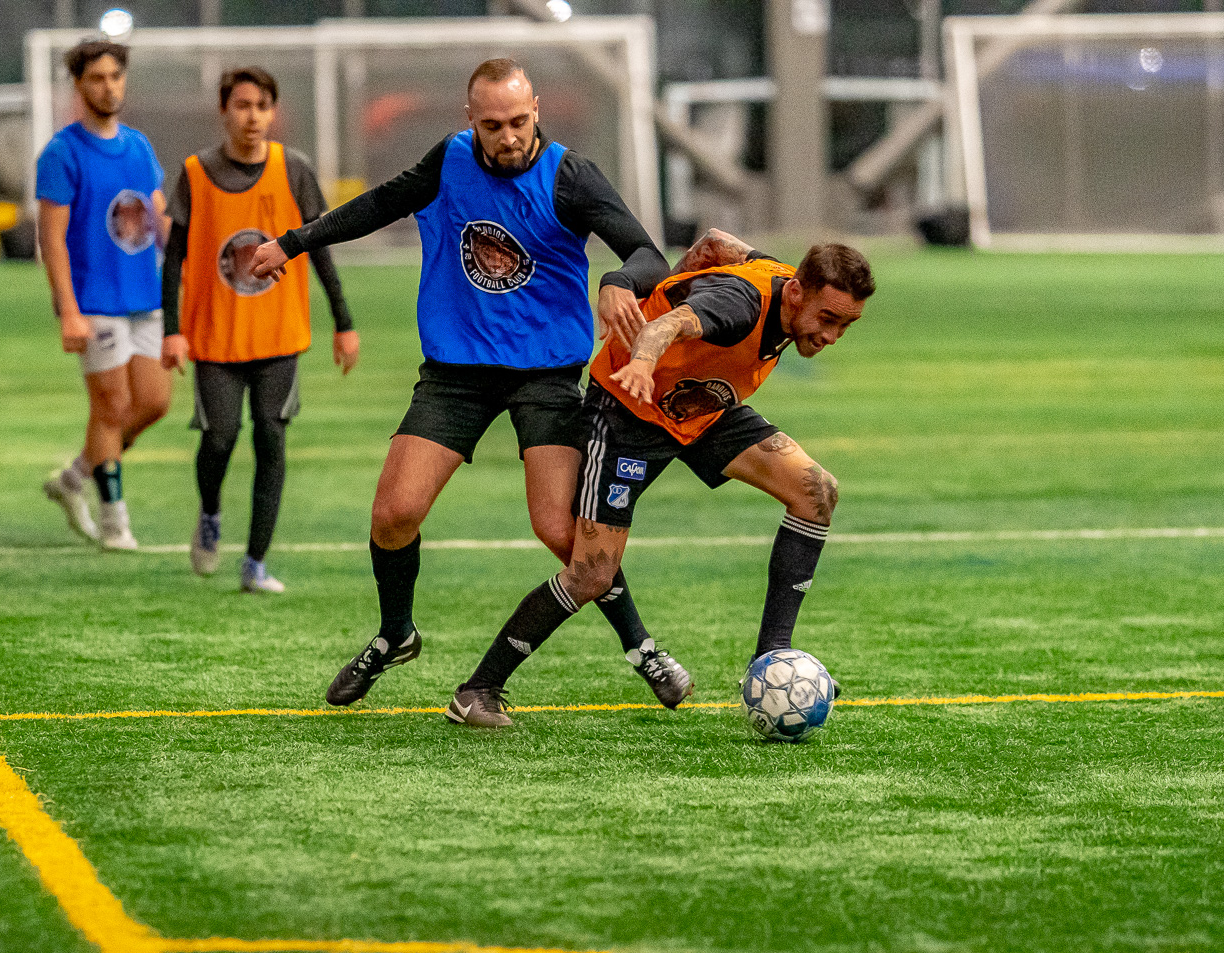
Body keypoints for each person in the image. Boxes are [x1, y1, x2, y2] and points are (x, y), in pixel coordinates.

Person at [250, 58, 691, 707]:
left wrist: (618, 281)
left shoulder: (570, 176)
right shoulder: (450, 160)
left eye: (517, 121)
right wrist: (292, 243)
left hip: (544, 373)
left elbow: (649, 254)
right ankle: (395, 634)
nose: (508, 137)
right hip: (455, 374)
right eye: (492, 125)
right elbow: (379, 204)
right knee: (393, 515)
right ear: (471, 121)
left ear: (536, 110)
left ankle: (642, 647)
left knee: (561, 531)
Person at [444, 238, 875, 727]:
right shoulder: (738, 305)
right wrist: (644, 362)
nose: (832, 335)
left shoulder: (778, 276)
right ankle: (477, 690)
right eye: (827, 318)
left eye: (846, 324)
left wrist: (673, 284)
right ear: (795, 292)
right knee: (591, 574)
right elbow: (665, 326)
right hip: (630, 411)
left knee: (816, 492)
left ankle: (772, 657)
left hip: (703, 408)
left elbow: (715, 242)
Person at [160, 67, 359, 594]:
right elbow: (174, 257)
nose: (253, 116)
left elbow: (320, 247)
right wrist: (172, 330)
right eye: (242, 105)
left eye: (262, 106)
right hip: (215, 337)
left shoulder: (294, 169)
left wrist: (344, 322)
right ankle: (209, 512)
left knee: (271, 437)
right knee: (220, 437)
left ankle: (255, 562)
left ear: (273, 112)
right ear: (224, 111)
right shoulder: (196, 172)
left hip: (278, 336)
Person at [36, 39, 171, 551]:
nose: (108, 86)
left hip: (146, 297)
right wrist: (68, 311)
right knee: (111, 406)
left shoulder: (139, 146)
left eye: (115, 76)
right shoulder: (62, 153)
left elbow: (158, 216)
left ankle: (74, 478)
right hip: (94, 301)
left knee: (153, 403)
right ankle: (115, 522)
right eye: (97, 78)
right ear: (78, 85)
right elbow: (52, 239)